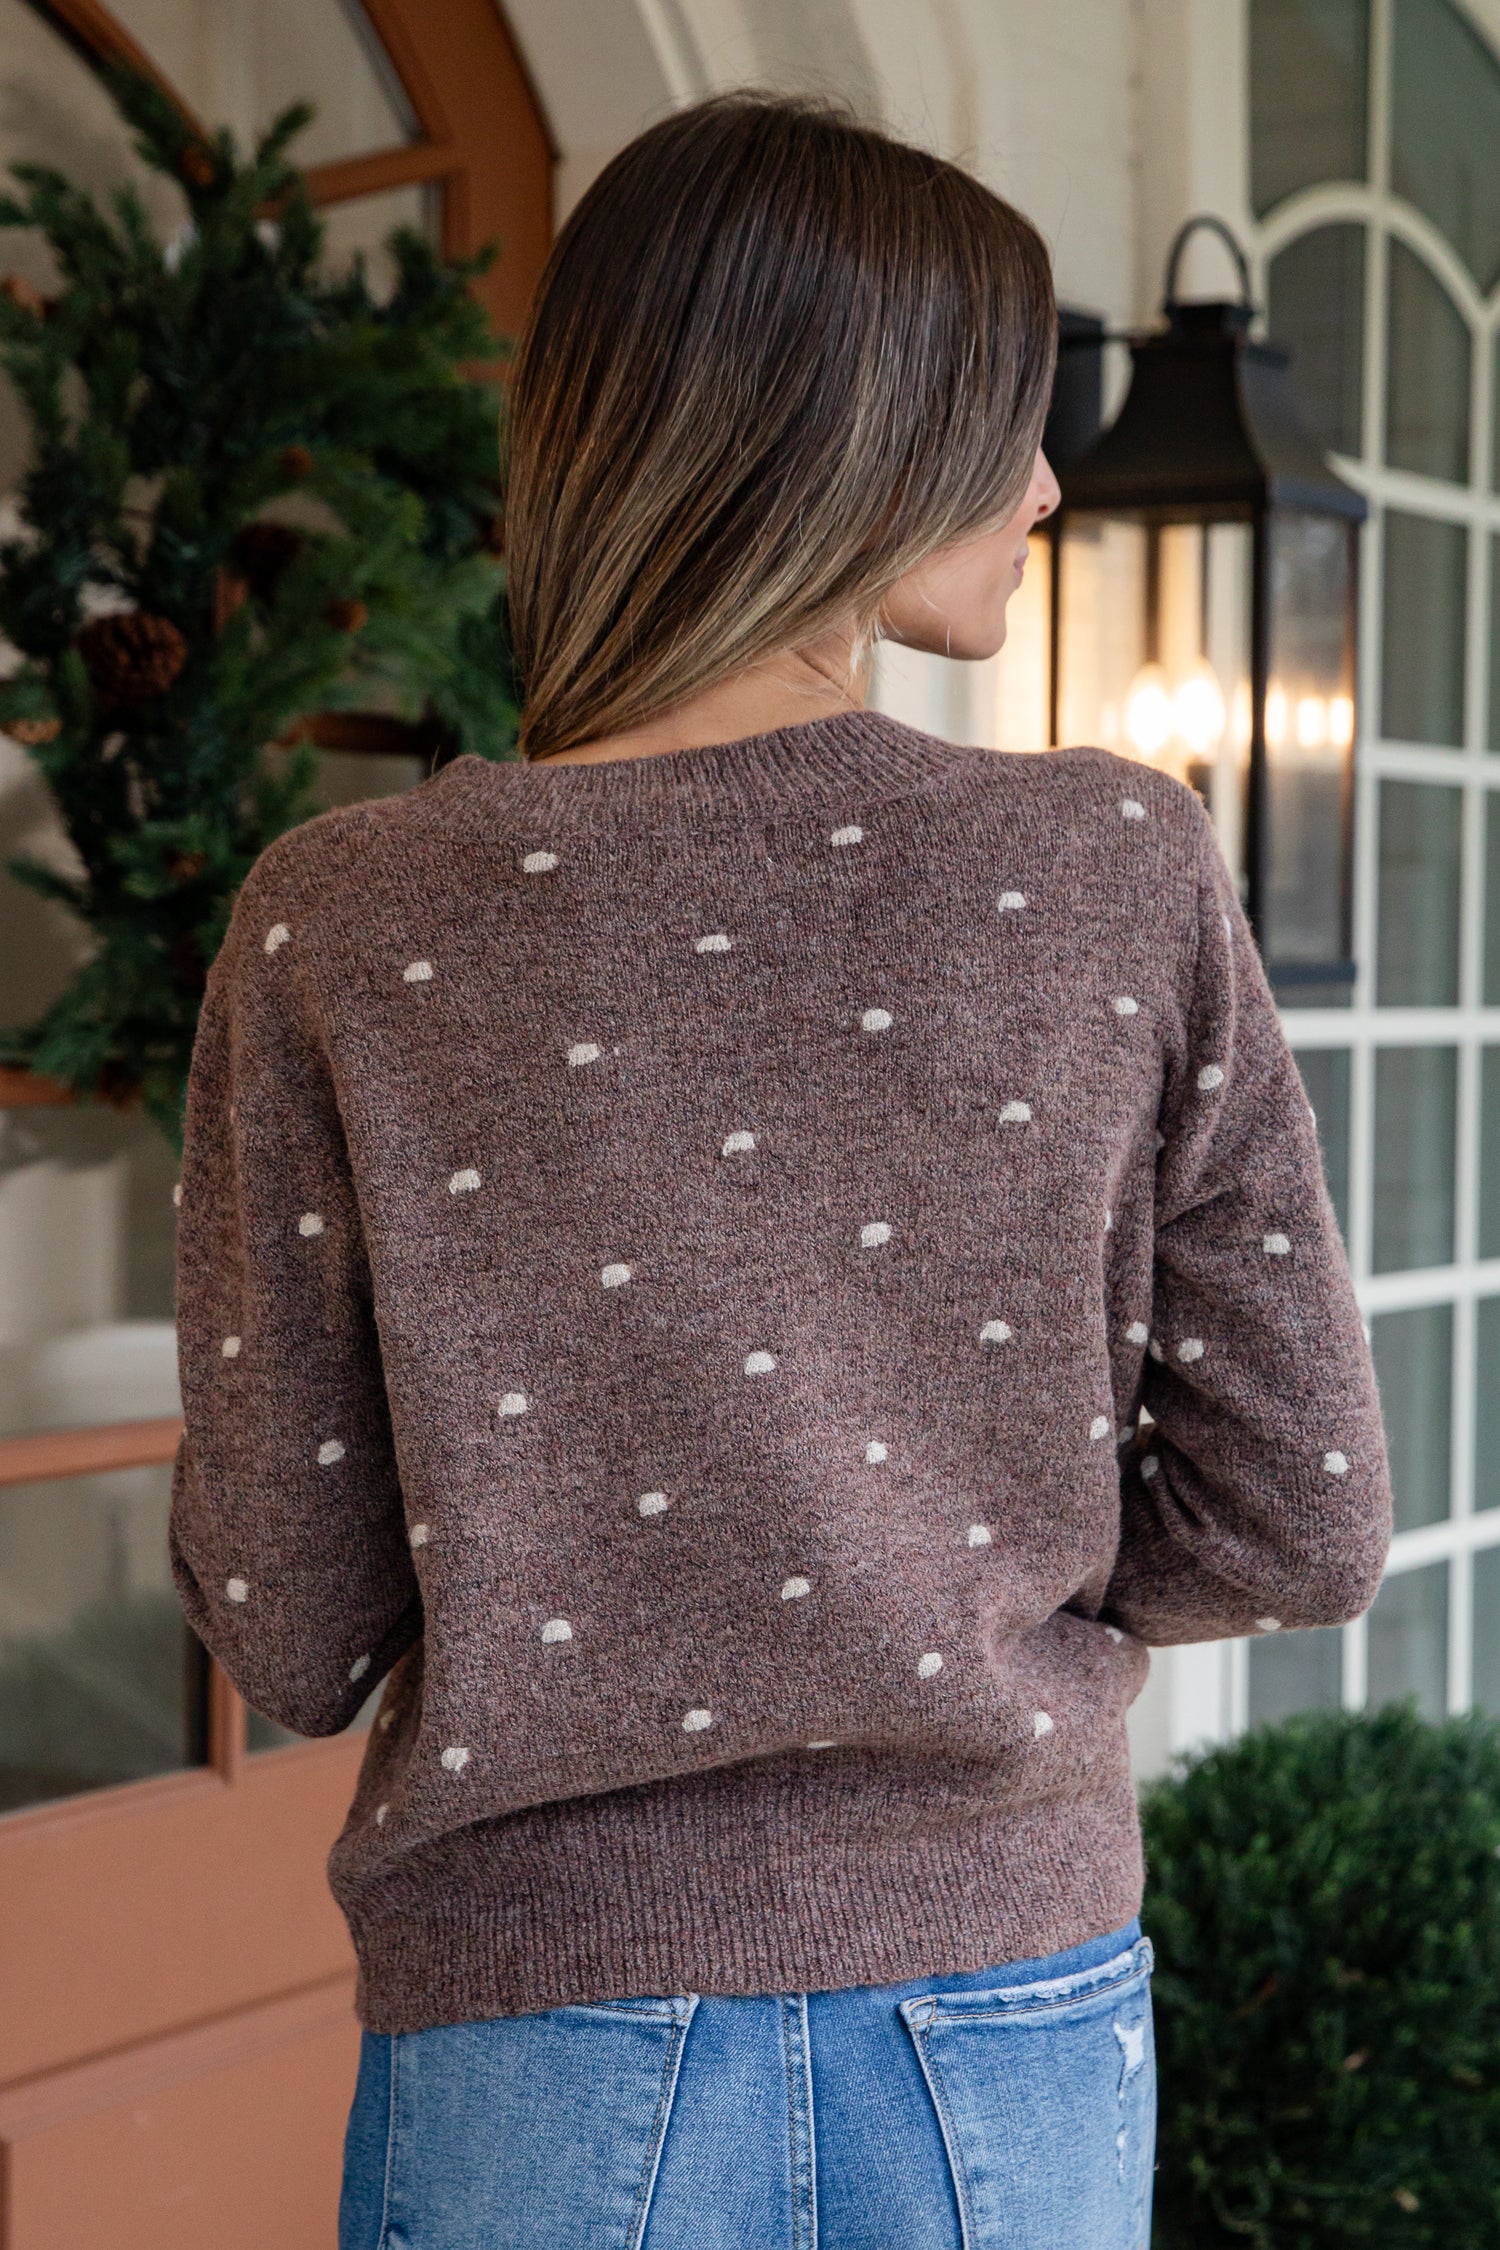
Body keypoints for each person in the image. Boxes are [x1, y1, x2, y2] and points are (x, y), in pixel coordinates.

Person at [168, 93, 1393, 2250]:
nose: (1045, 483)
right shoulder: (1111, 869)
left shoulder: (344, 923)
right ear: (845, 437)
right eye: (1005, 421)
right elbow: (1304, 1510)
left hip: (537, 2041)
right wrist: (955, 1605)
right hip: (1007, 2017)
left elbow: (289, 1616)